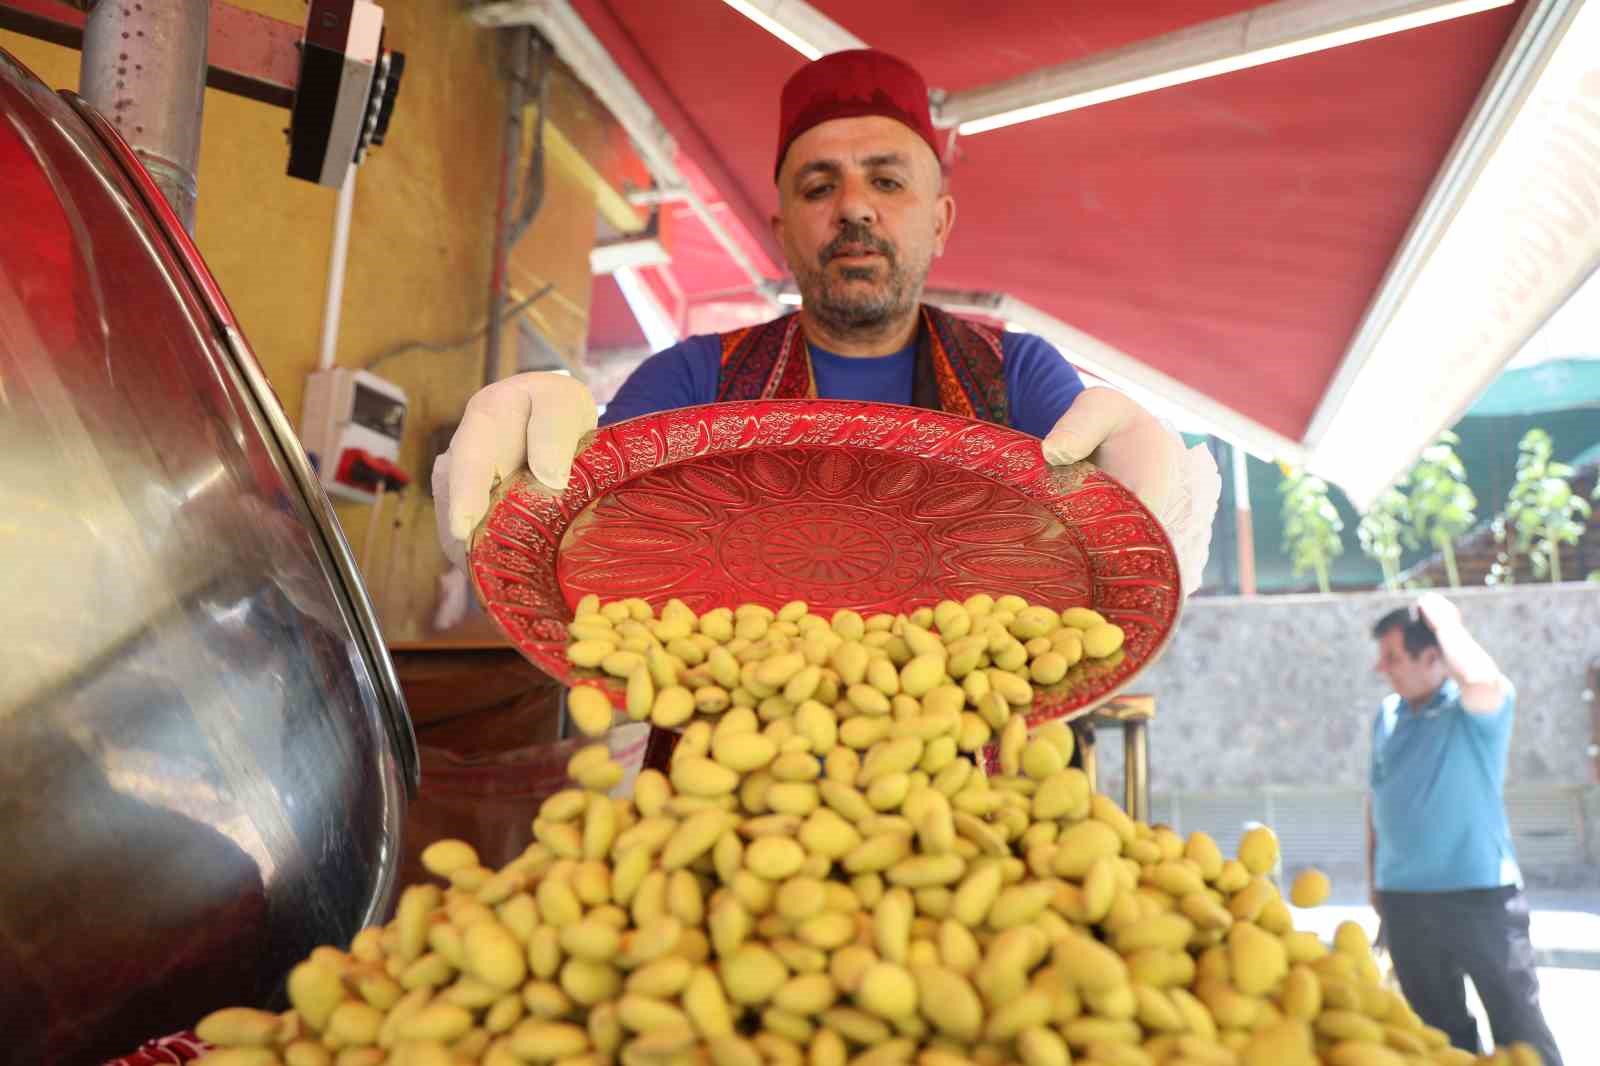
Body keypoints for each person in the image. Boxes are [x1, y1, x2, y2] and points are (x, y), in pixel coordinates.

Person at [432, 48, 1219, 590]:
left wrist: (1159, 506)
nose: (853, 209)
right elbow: (583, 552)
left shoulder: (1020, 375)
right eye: (817, 188)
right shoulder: (690, 377)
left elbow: (1106, 571)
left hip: (972, 795)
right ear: (780, 233)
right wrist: (529, 500)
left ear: (940, 221)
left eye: (885, 181)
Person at [1367, 593, 1562, 1066]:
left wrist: (1446, 622)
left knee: (1519, 1029)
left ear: (1432, 656)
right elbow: (1375, 802)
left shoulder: (1474, 709)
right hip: (1405, 901)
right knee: (1437, 1036)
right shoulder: (1387, 716)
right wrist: (1376, 882)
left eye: (1393, 657)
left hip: (1480, 897)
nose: (1382, 668)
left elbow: (1477, 677)